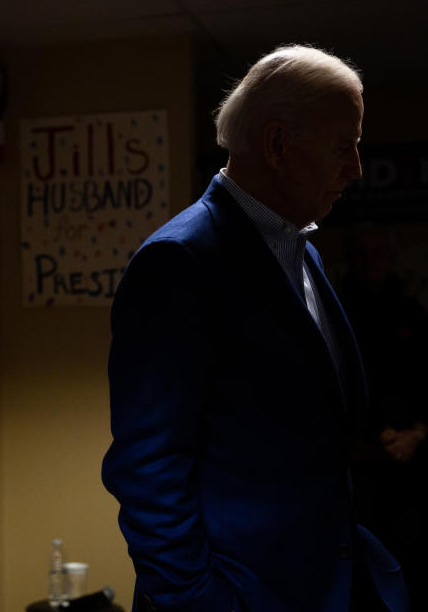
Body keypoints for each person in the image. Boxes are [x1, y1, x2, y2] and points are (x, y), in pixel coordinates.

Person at [101, 45, 410, 612]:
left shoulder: (300, 246)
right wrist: (202, 603)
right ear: (276, 145)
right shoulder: (180, 261)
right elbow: (148, 472)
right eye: (345, 147)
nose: (357, 168)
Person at [340, 225, 428, 610]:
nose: (369, 262)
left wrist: (418, 433)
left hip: (409, 464)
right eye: (362, 254)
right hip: (354, 469)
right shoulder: (337, 310)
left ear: (389, 260)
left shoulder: (411, 312)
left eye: (377, 253)